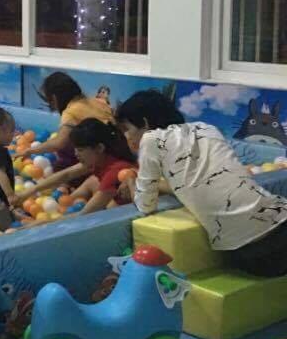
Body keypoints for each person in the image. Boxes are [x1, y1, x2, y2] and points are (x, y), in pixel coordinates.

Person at [116, 90, 287, 277]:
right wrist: (155, 183)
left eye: (127, 128)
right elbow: (198, 181)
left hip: (253, 252)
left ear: (144, 123)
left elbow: (145, 205)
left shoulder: (151, 139)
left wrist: (131, 179)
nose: (127, 136)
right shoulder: (207, 128)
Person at [15, 118, 137, 215]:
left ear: (99, 148)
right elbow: (67, 174)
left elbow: (84, 215)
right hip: (111, 196)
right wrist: (29, 191)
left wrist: (40, 223)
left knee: (107, 208)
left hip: (127, 212)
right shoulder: (101, 158)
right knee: (92, 181)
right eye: (75, 149)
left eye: (80, 150)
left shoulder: (114, 171)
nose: (76, 154)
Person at [19, 72, 113, 172]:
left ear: (54, 98)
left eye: (50, 101)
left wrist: (30, 151)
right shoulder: (97, 101)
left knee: (64, 152)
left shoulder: (70, 111)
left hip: (103, 158)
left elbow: (59, 143)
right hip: (115, 148)